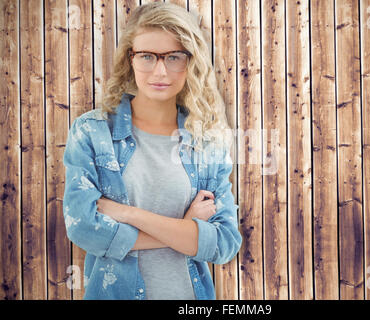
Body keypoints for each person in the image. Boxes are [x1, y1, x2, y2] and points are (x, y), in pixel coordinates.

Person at [62, 2, 241, 300]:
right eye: (147, 56)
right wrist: (186, 231)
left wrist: (126, 214)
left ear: (190, 61)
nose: (160, 71)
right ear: (129, 60)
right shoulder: (92, 131)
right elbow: (84, 228)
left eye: (173, 57)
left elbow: (224, 243)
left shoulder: (207, 140)